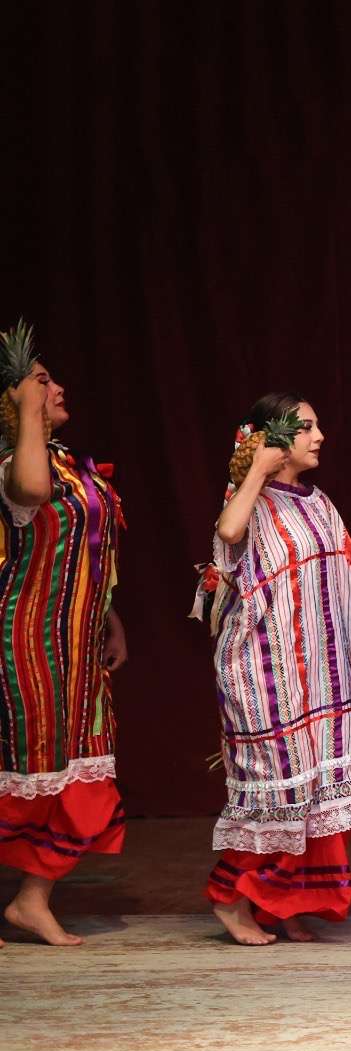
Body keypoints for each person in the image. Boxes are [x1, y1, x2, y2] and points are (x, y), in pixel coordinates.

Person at [192, 394, 351, 945]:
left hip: (327, 674)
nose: (319, 436)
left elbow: (348, 582)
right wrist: (256, 469)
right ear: (274, 438)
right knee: (277, 793)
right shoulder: (251, 502)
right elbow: (228, 533)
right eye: (305, 427)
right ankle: (230, 898)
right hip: (269, 674)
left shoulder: (321, 502)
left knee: (320, 793)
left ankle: (282, 901)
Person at [0, 328, 128, 947]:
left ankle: (31, 899)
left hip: (76, 646)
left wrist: (109, 617)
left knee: (78, 771)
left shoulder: (69, 464)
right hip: (23, 642)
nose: (56, 389)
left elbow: (88, 551)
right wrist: (27, 410)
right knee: (22, 767)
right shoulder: (14, 465)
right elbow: (30, 493)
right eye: (42, 382)